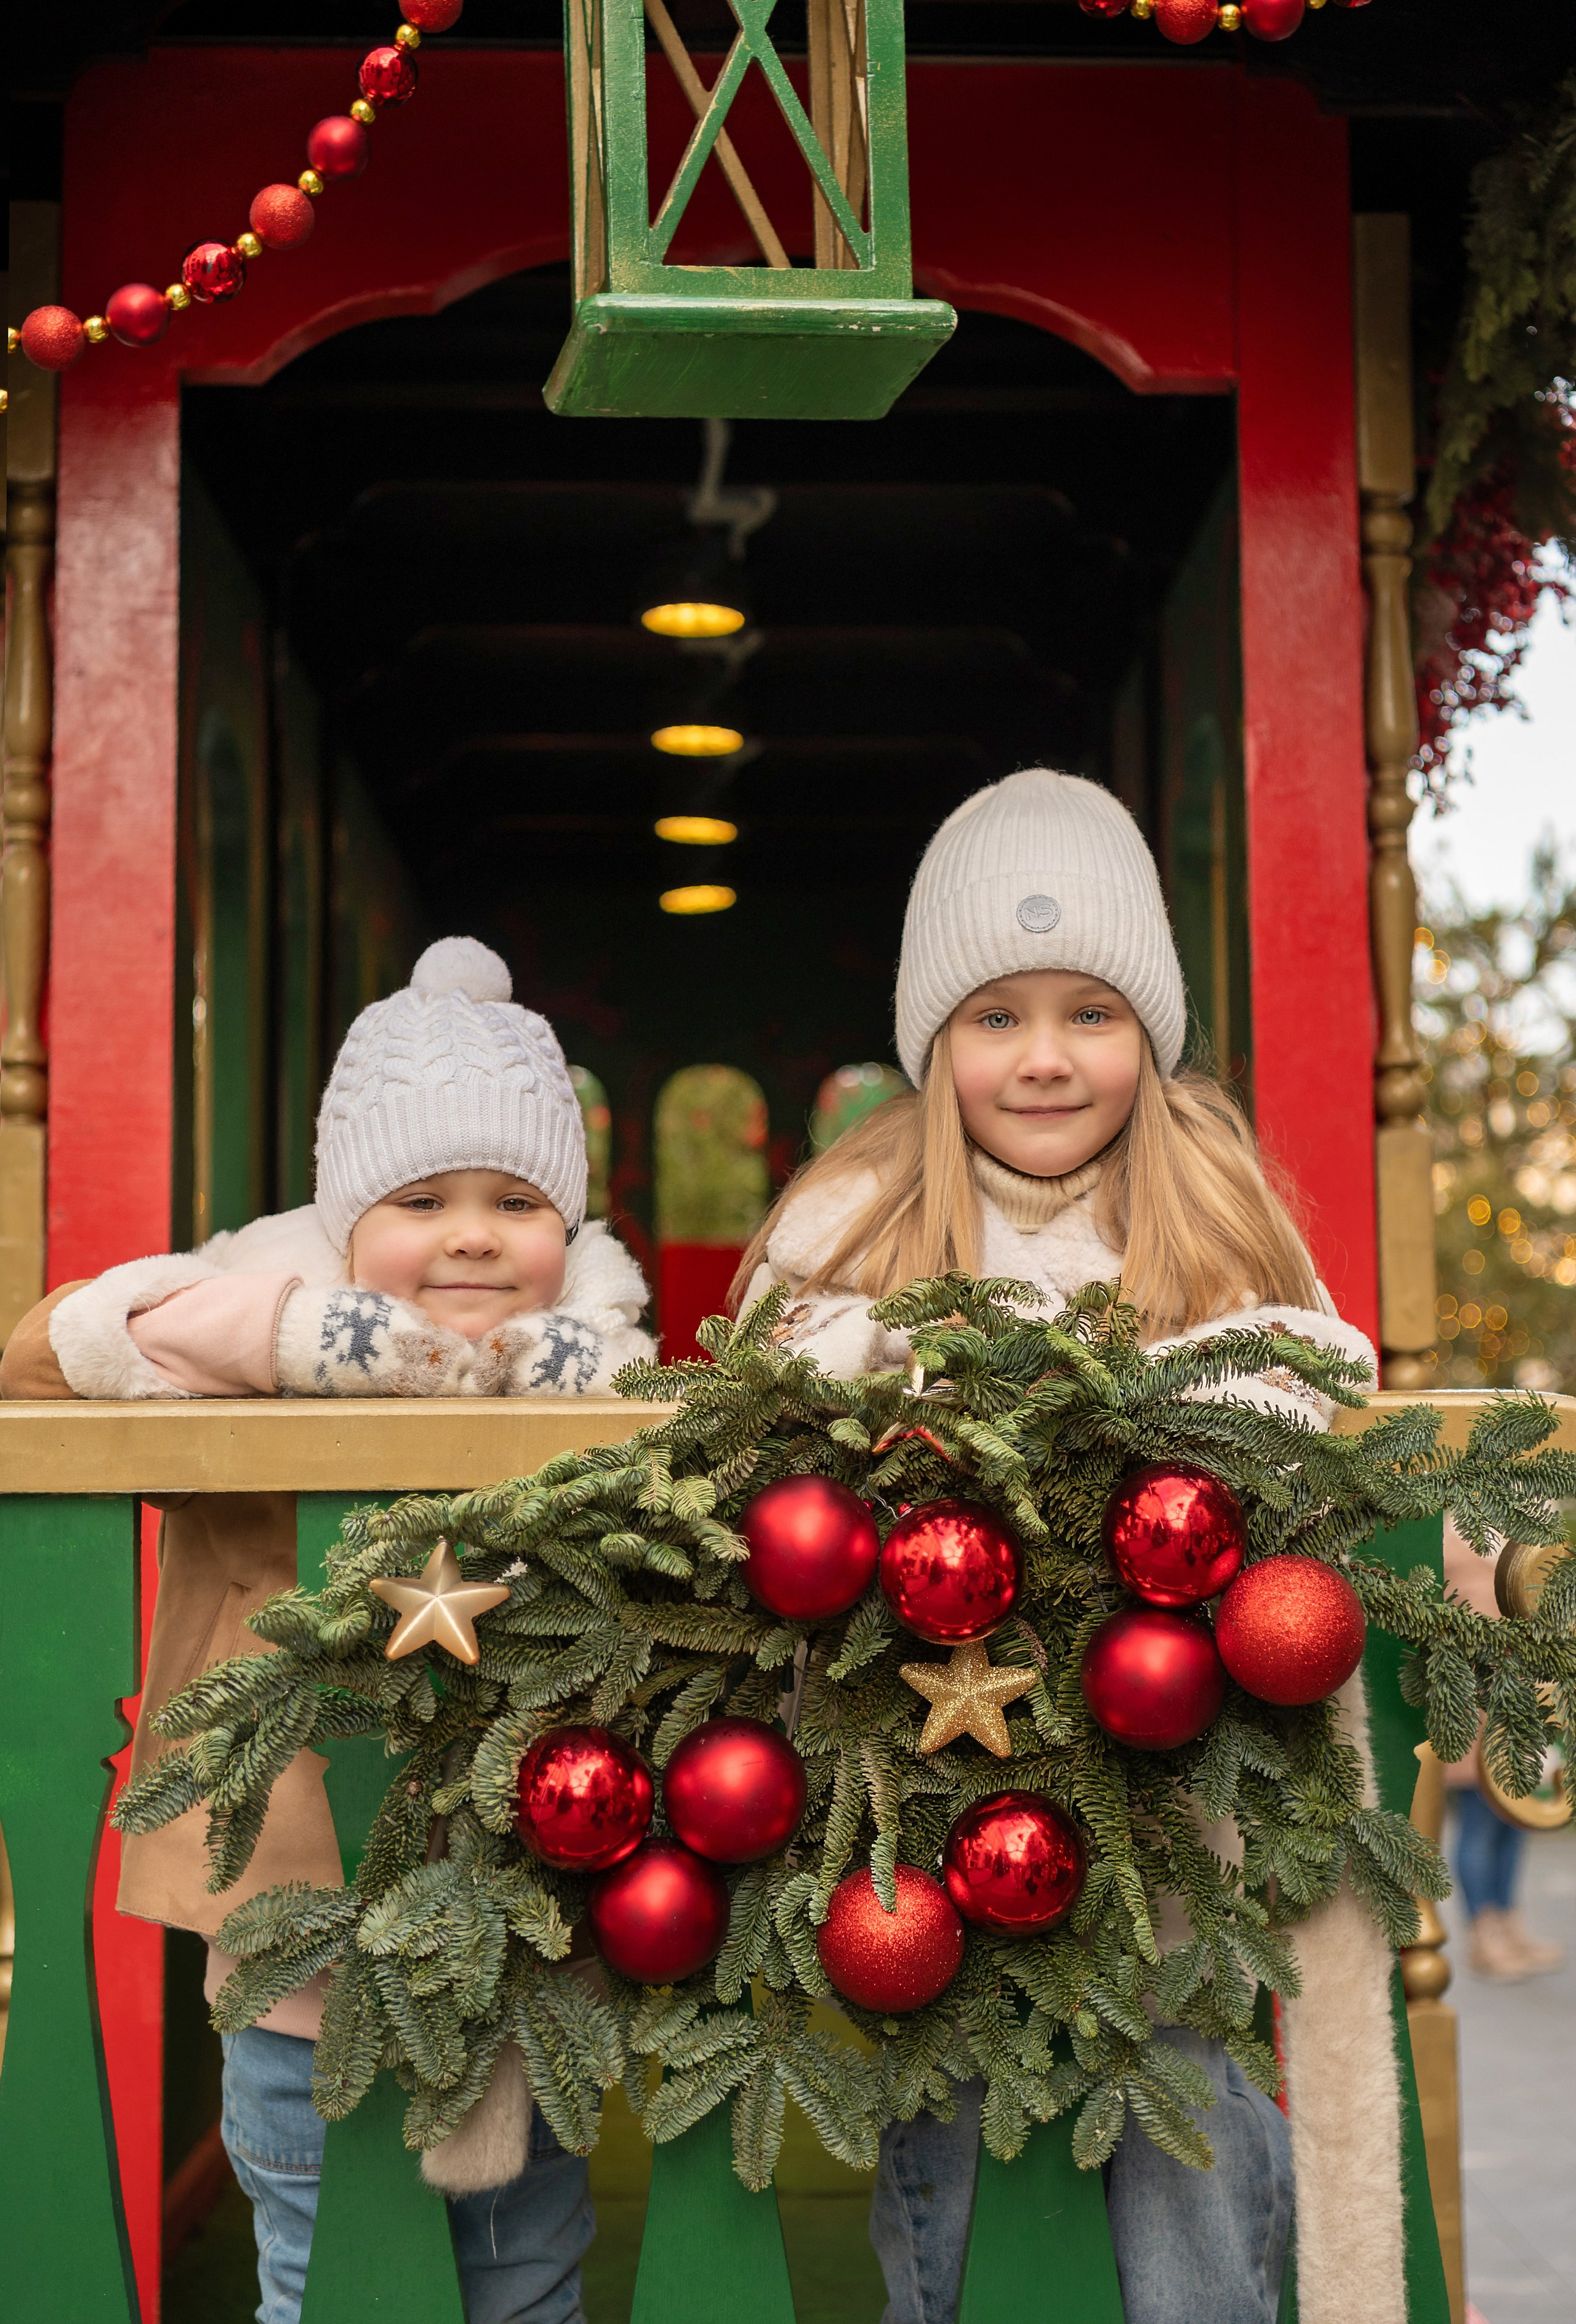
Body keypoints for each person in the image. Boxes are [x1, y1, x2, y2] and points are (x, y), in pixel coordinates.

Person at [734, 772, 1397, 2324]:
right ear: (931, 1041)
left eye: (1088, 1010)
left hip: (1175, 1836)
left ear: (1145, 1033)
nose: (1042, 1056)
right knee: (950, 2199)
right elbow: (773, 1376)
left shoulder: (1207, 1208)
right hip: (940, 1828)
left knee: (1195, 2183)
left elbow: (1315, 1362)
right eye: (995, 1014)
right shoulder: (856, 1214)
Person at [1, 936, 654, 2324]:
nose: (472, 1232)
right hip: (305, 1950)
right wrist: (300, 1337)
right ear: (344, 1218)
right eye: (421, 1197)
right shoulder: (251, 1319)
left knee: (532, 2269)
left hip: (536, 1939)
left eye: (517, 1199)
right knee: (323, 2269)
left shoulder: (587, 1373)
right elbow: (50, 1348)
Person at [1440, 1523, 1565, 1980]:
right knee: (1480, 1820)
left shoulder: (1515, 1536)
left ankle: (1510, 1922)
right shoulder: (1450, 1544)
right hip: (1476, 1709)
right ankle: (1484, 1934)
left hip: (1518, 1707)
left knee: (1515, 1820)